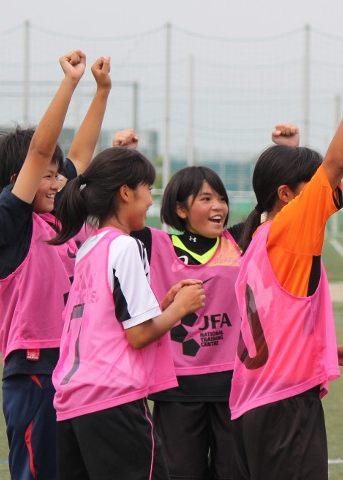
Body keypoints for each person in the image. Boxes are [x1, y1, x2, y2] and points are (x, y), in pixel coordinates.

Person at [229, 48, 343, 480]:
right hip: (283, 404)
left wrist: (327, 351)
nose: (325, 195)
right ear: (289, 196)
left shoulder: (256, 236)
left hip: (254, 399)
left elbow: (277, 319)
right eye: (311, 189)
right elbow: (336, 163)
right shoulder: (289, 233)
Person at [0, 50, 112, 480]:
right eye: (47, 174)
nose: (57, 181)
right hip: (36, 369)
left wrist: (102, 90)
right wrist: (70, 83)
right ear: (17, 180)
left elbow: (81, 153)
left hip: (79, 363)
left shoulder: (60, 217)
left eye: (59, 175)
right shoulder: (12, 224)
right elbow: (40, 150)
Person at [49, 147, 206, 480]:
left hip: (73, 402)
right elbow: (138, 335)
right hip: (113, 400)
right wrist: (180, 309)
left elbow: (109, 320)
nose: (151, 199)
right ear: (125, 192)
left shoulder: (89, 248)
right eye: (148, 188)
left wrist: (161, 307)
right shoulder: (125, 245)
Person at [130, 160, 244, 479]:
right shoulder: (153, 243)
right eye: (205, 199)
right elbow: (113, 211)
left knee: (234, 472)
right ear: (181, 209)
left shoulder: (239, 242)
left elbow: (280, 207)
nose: (218, 206)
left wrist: (285, 152)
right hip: (176, 390)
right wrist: (123, 156)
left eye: (220, 198)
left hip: (233, 387)